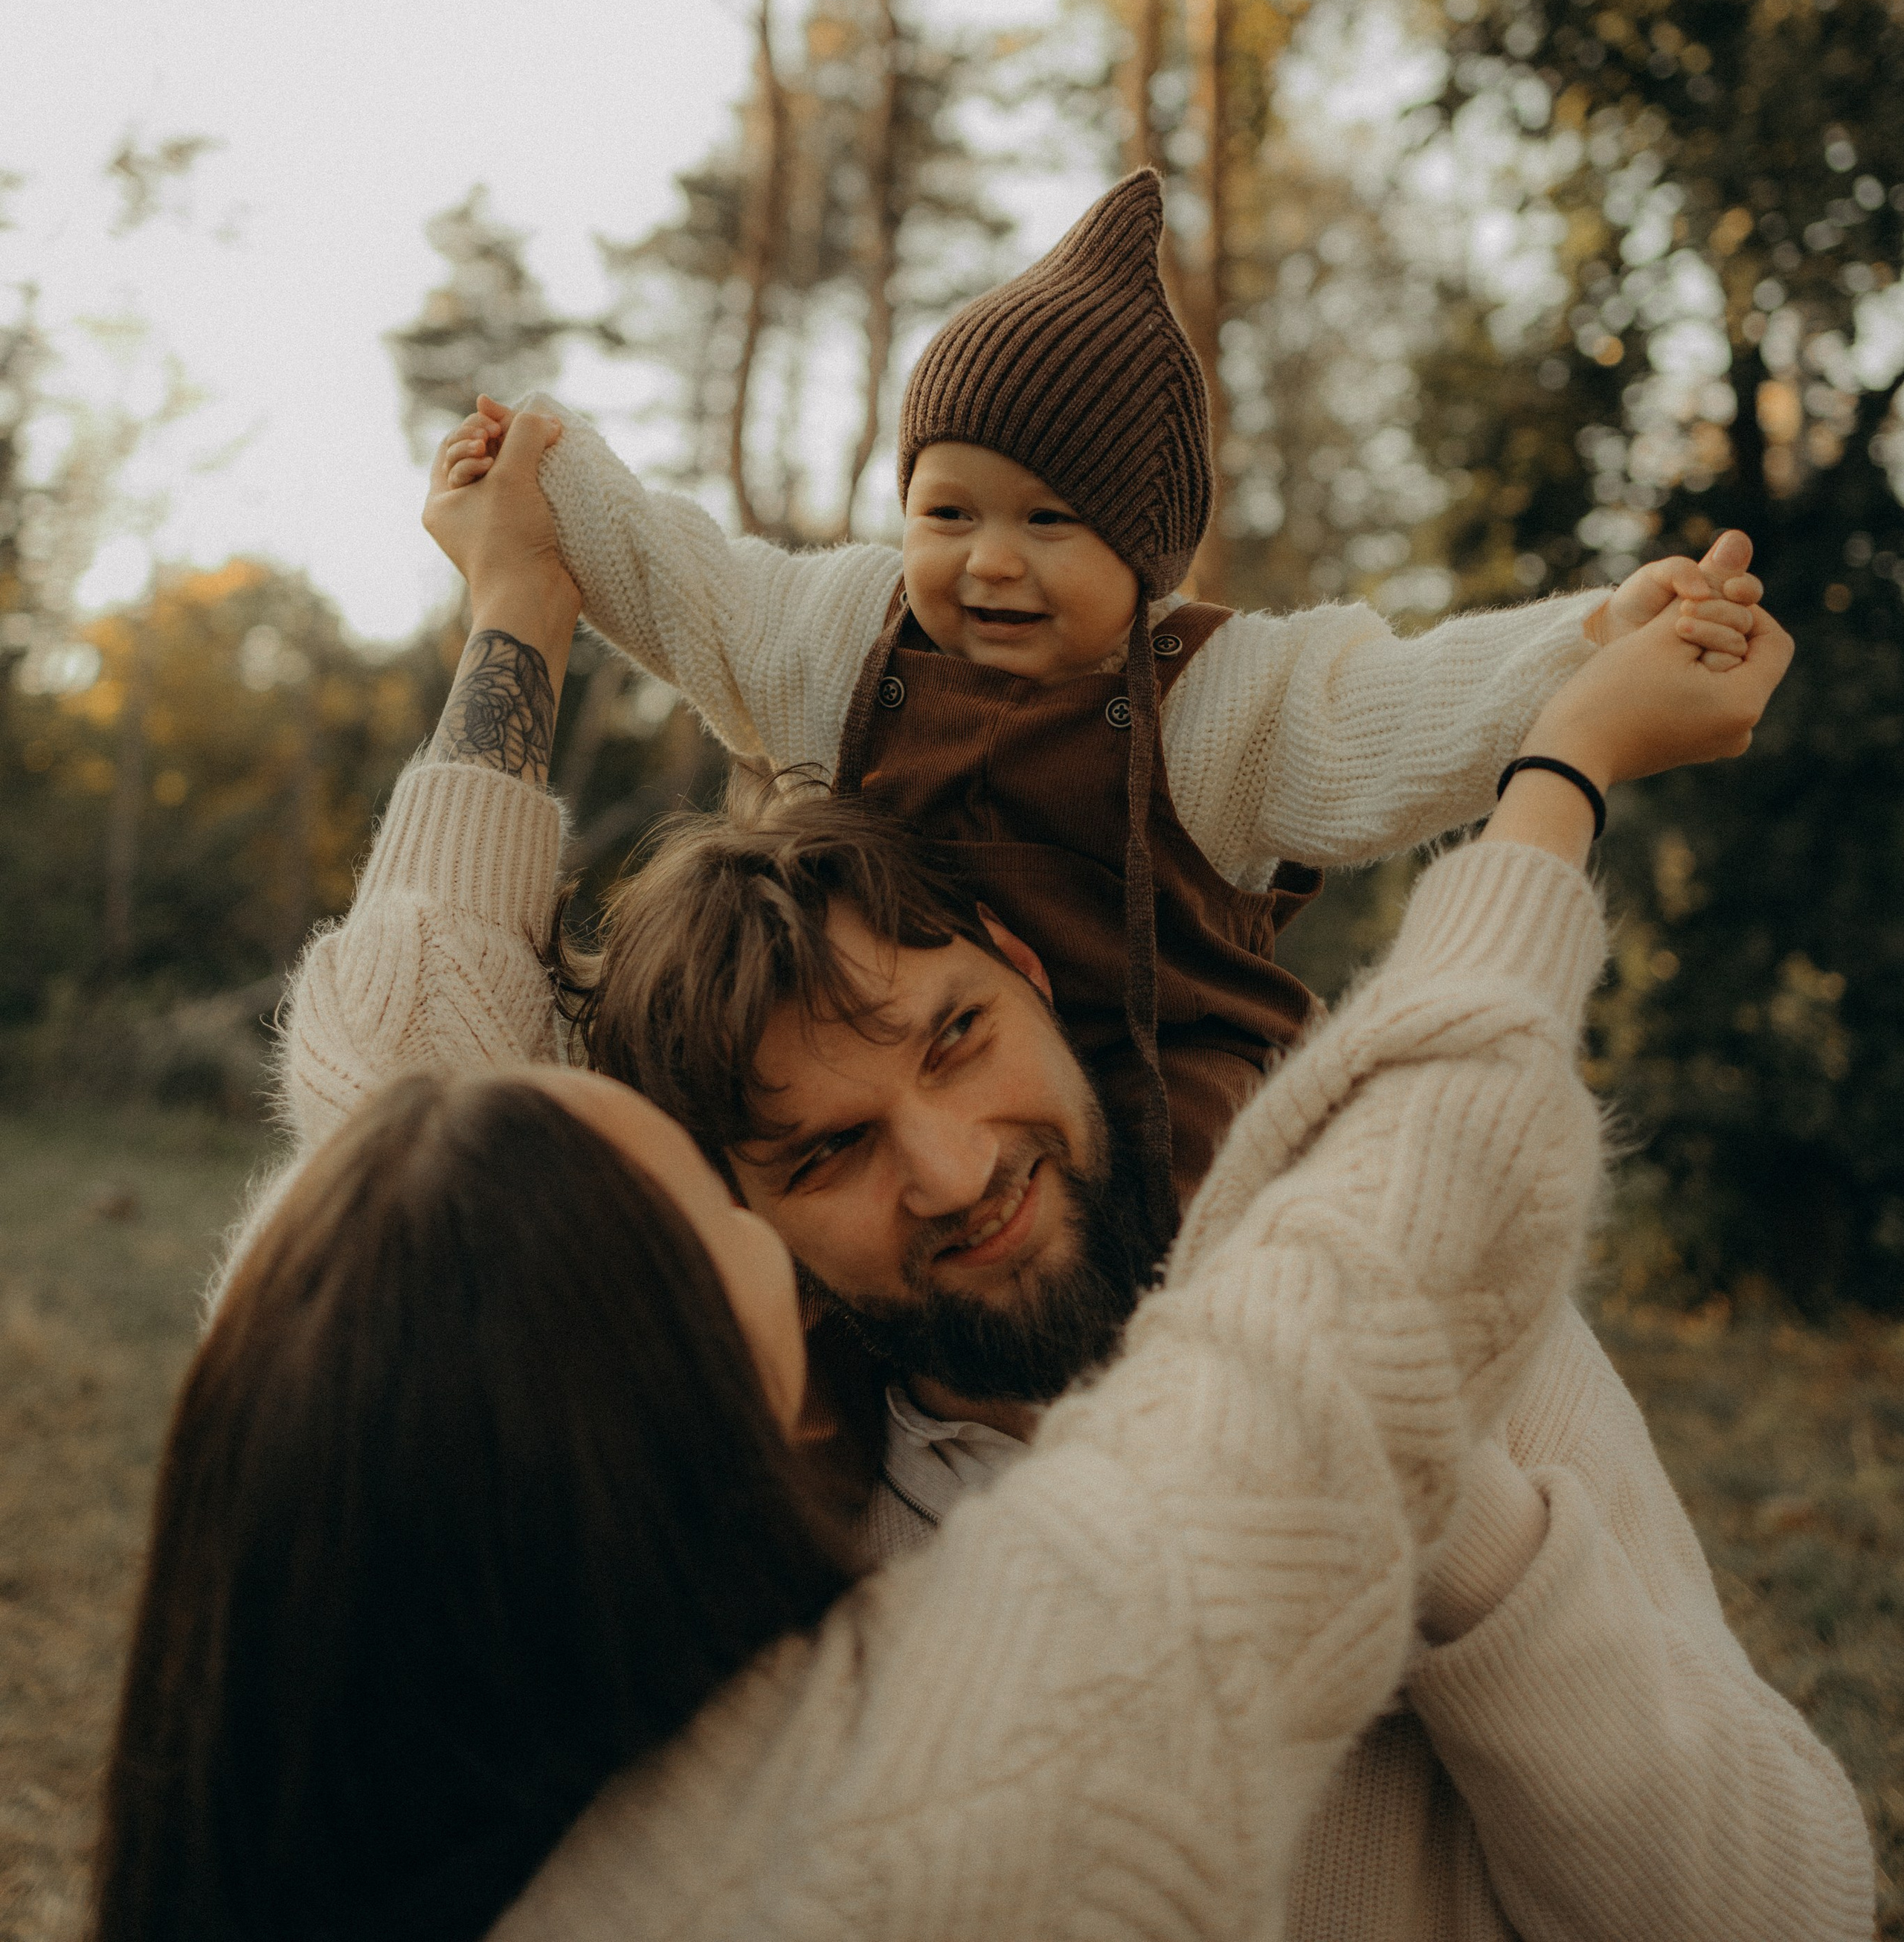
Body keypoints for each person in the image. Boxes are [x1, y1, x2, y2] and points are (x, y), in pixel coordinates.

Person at [97, 417, 1849, 1942]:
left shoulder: (1500, 1377)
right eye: (816, 1155)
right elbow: (1346, 1329)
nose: (949, 1171)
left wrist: (517, 608)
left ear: (1023, 955)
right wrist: (1563, 778)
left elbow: (1784, 1910)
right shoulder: (744, 1552)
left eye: (950, 1037)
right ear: (741, 1238)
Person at [441, 168, 1760, 1243]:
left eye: (1049, 522)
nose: (989, 560)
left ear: (1147, 553)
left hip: (1163, 1116)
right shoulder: (846, 638)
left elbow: (1411, 705)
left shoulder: (1221, 697)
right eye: (945, 513)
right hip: (899, 1102)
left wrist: (1595, 638)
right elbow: (692, 585)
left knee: (1197, 1306)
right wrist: (542, 474)